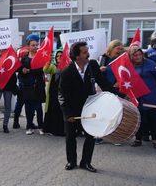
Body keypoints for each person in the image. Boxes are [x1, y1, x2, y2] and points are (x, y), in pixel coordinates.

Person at [58, 42, 117, 173]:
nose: (88, 54)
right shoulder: (67, 71)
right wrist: (68, 114)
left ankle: (86, 162)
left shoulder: (93, 65)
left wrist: (119, 95)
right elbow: (62, 95)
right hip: (72, 110)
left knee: (90, 136)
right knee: (70, 137)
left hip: (90, 109)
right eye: (84, 52)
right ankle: (71, 161)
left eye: (87, 51)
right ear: (77, 56)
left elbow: (104, 83)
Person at [129, 46, 156, 149]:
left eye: (140, 54)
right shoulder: (129, 65)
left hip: (151, 96)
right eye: (135, 55)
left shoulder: (150, 64)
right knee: (138, 119)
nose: (138, 57)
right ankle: (138, 139)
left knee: (154, 119)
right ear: (131, 56)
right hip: (137, 97)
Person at [18, 37, 46, 135]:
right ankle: (29, 126)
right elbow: (20, 70)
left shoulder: (40, 57)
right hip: (27, 87)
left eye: (36, 45)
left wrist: (29, 71)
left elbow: (41, 69)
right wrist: (22, 71)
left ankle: (41, 127)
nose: (35, 47)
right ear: (28, 47)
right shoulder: (24, 59)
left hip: (38, 86)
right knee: (28, 108)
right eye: (33, 45)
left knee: (38, 107)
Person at [42, 50, 65, 136]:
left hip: (62, 92)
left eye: (61, 56)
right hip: (53, 92)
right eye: (57, 56)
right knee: (53, 109)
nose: (59, 57)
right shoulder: (53, 66)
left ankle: (60, 130)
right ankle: (51, 129)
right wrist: (48, 62)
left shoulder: (67, 66)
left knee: (61, 110)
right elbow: (45, 70)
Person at [13, 36, 33, 128]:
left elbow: (16, 65)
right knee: (28, 104)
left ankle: (15, 122)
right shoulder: (25, 52)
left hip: (23, 81)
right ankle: (29, 123)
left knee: (20, 103)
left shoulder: (19, 51)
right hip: (27, 81)